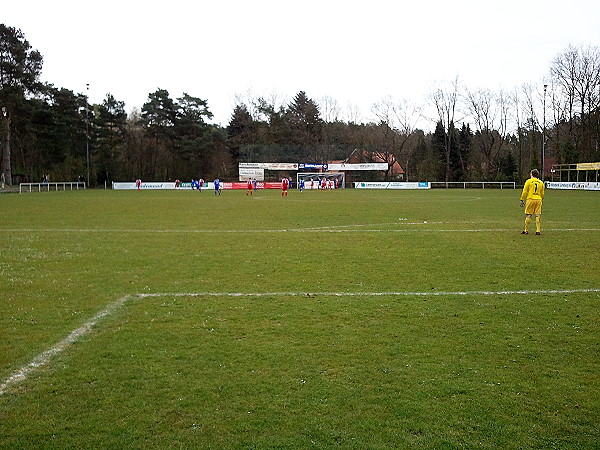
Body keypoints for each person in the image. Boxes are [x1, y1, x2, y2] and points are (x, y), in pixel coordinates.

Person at [520, 169, 545, 235]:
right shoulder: (541, 182)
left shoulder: (528, 181)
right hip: (538, 199)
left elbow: (525, 191)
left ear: (531, 174)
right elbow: (542, 193)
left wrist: (522, 199)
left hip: (530, 199)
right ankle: (538, 231)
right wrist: (541, 199)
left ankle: (526, 230)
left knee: (528, 215)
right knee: (537, 215)